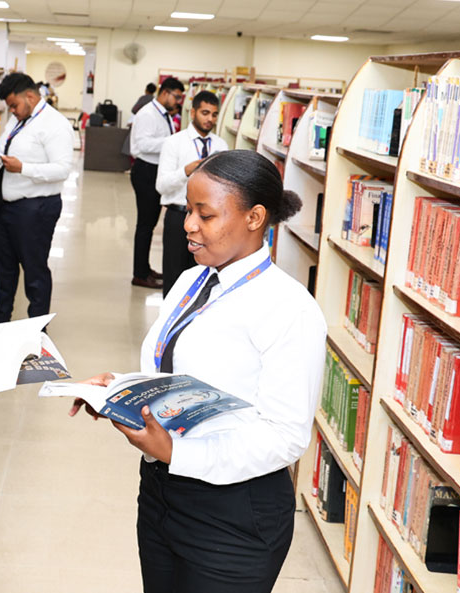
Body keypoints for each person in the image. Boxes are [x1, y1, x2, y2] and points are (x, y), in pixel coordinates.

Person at [71, 150, 326, 593]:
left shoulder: (290, 309)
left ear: (255, 217)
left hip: (234, 514)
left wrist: (177, 454)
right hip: (161, 493)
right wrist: (122, 391)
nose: (189, 224)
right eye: (189, 210)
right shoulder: (194, 280)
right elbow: (174, 371)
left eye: (204, 215)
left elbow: (286, 436)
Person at [0, 72, 74, 323]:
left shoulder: (55, 125)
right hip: (5, 205)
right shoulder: (17, 120)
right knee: (3, 268)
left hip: (35, 208)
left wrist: (23, 168)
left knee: (34, 271)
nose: (12, 111)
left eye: (14, 105)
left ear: (30, 96)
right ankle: (0, 319)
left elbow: (62, 169)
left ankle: (37, 328)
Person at [155, 90, 228, 296]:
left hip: (210, 221)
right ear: (193, 112)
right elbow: (161, 186)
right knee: (174, 274)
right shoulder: (174, 143)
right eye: (205, 113)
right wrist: (185, 171)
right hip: (178, 216)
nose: (210, 119)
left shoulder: (221, 145)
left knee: (203, 275)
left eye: (214, 114)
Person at [129, 77, 185, 289]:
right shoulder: (148, 114)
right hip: (145, 170)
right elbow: (142, 144)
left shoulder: (163, 114)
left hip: (155, 169)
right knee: (145, 224)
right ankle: (139, 274)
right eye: (176, 97)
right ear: (164, 93)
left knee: (150, 223)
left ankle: (144, 267)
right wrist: (172, 143)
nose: (178, 101)